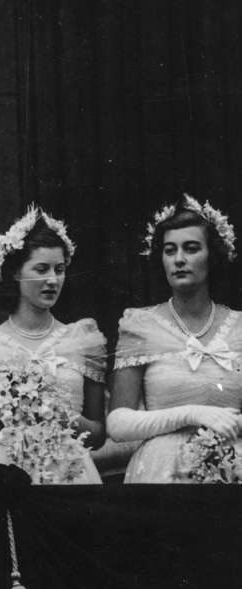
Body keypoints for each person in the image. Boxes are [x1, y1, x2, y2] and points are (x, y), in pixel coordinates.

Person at [0, 206, 106, 484]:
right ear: (15, 272)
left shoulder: (83, 339)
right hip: (6, 475)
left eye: (59, 270)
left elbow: (97, 434)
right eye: (41, 269)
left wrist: (59, 414)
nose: (52, 280)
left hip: (72, 476)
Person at [107, 196, 242, 482]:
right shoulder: (140, 324)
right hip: (162, 473)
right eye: (170, 250)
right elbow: (118, 424)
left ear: (212, 256)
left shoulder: (240, 326)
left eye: (191, 249)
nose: (179, 259)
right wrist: (191, 414)